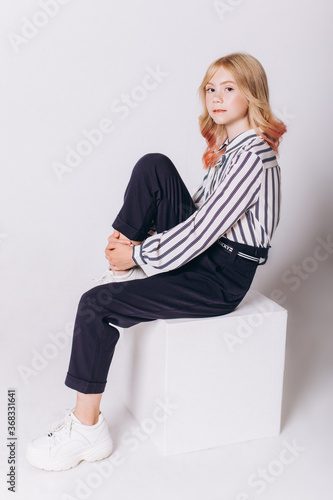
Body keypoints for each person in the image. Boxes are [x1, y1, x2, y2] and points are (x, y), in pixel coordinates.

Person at [26, 53, 286, 471]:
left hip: (220, 278)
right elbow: (202, 212)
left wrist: (141, 252)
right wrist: (138, 242)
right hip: (209, 255)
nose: (216, 97)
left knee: (96, 305)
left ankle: (87, 430)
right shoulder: (233, 148)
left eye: (229, 88)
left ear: (251, 92)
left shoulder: (252, 157)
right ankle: (123, 263)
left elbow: (203, 232)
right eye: (210, 89)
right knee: (155, 167)